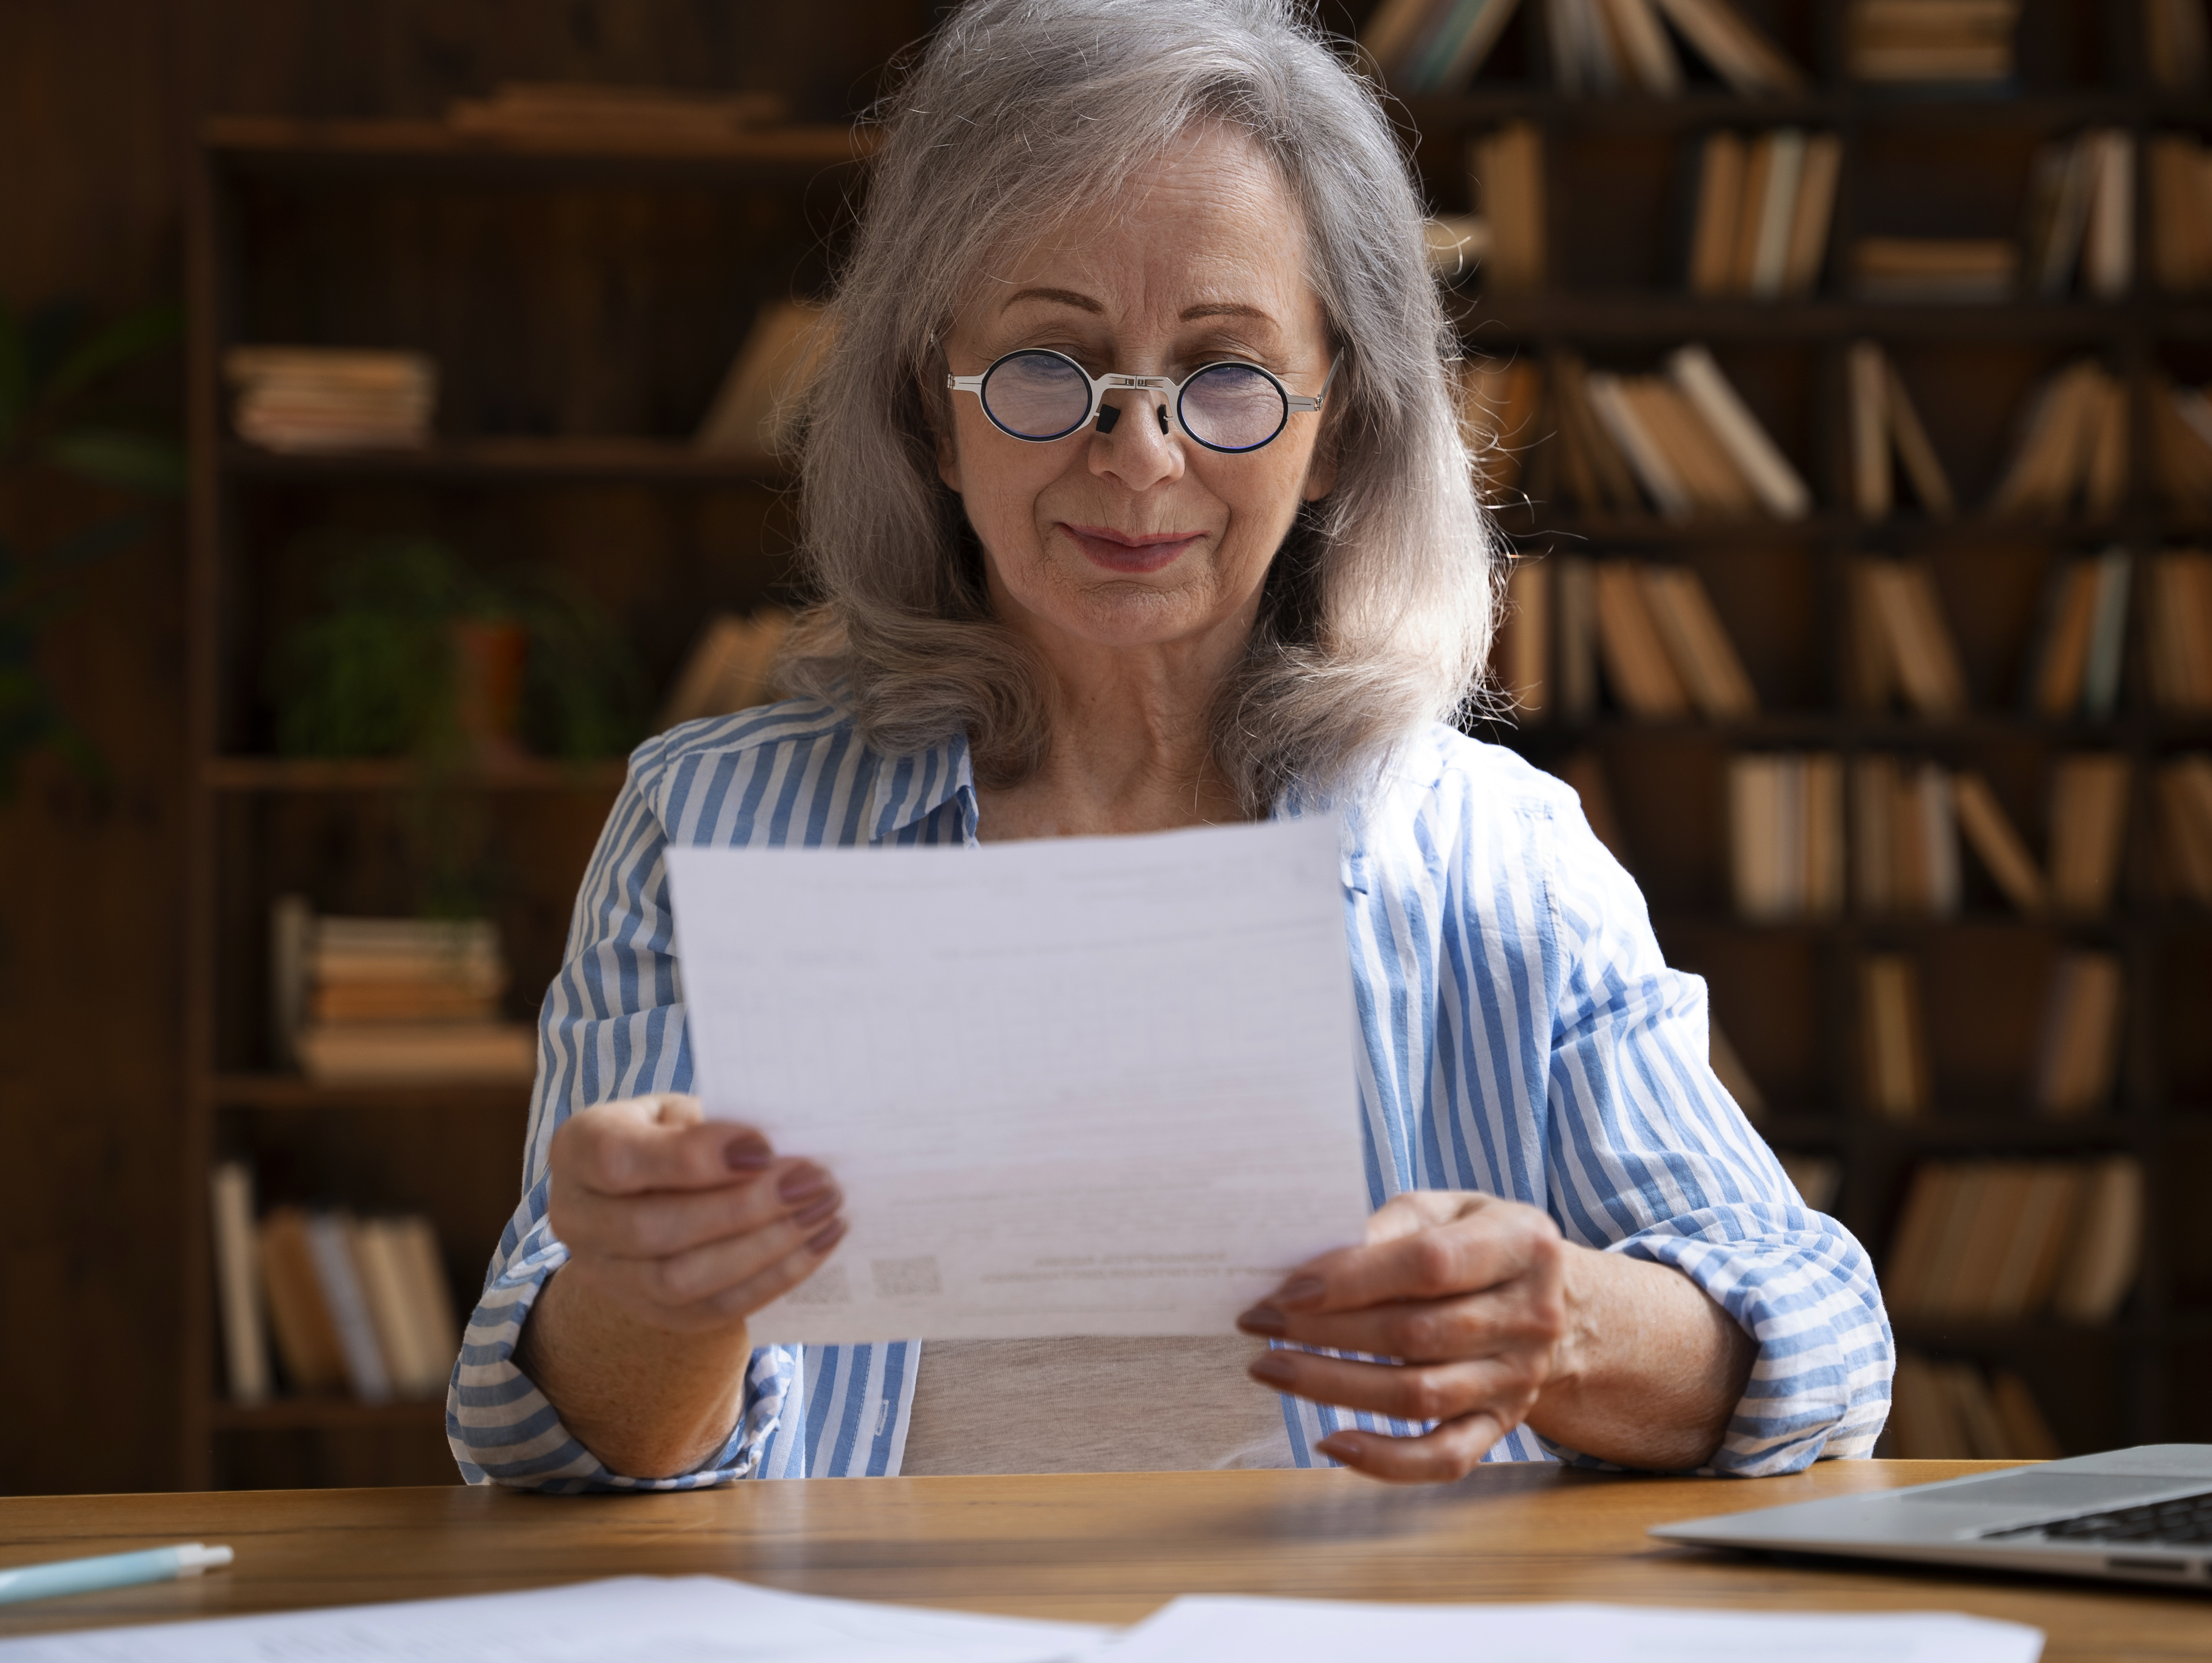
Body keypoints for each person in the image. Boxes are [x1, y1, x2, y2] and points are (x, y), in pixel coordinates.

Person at [447, 0, 1891, 1492]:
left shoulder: (1497, 859)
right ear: (933, 420)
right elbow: (546, 1441)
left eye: (1225, 373)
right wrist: (650, 1293)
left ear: (1335, 428)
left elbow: (1829, 1350)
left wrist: (1570, 1325)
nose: (1137, 455)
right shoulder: (718, 826)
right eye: (1047, 366)